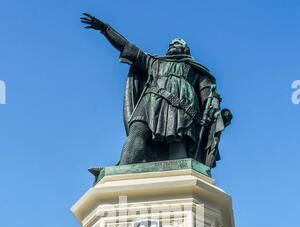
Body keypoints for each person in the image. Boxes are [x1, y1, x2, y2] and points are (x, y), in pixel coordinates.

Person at [81, 13, 232, 167]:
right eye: (171, 44)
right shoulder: (153, 62)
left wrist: (217, 114)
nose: (173, 45)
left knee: (177, 145)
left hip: (182, 109)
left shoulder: (195, 70)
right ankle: (121, 171)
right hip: (150, 103)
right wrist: (105, 29)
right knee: (137, 133)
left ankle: (178, 184)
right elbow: (127, 47)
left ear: (186, 50)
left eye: (177, 43)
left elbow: (208, 97)